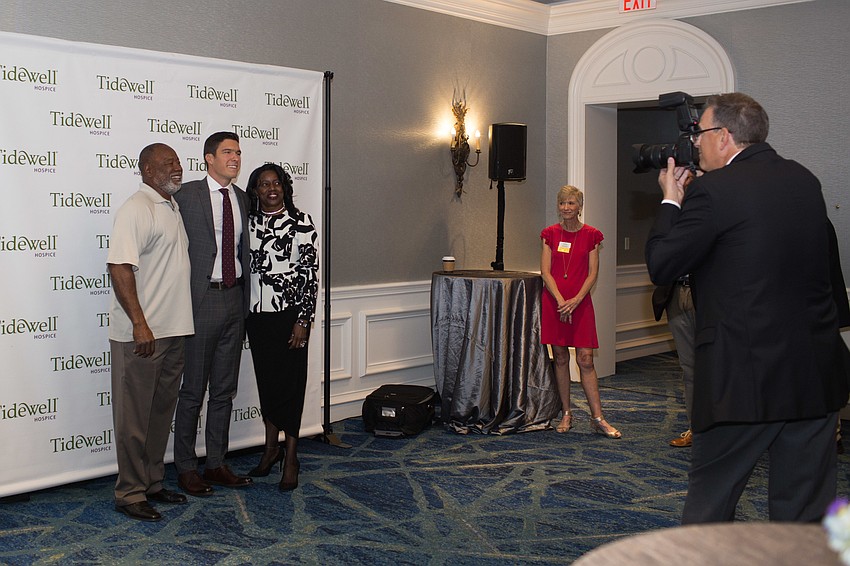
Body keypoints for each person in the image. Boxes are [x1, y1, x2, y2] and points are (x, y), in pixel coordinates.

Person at [645, 92, 850, 523]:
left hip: (742, 378)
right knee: (804, 512)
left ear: (723, 137)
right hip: (813, 373)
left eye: (699, 133)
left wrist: (670, 201)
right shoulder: (804, 180)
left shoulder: (716, 191)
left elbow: (663, 263)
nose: (694, 143)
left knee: (711, 504)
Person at [107, 143, 194, 521]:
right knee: (134, 419)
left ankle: (153, 482)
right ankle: (129, 493)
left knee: (160, 414)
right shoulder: (136, 208)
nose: (176, 167)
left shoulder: (171, 207)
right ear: (145, 169)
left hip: (174, 332)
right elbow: (119, 268)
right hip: (143, 336)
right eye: (167, 163)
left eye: (177, 162)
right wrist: (140, 324)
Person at [173, 131, 253, 496]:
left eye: (237, 152)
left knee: (224, 390)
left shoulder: (241, 198)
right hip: (200, 301)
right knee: (192, 391)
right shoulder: (186, 195)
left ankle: (216, 462)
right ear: (209, 158)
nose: (234, 157)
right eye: (227, 152)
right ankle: (186, 467)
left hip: (234, 299)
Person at [243, 164, 318, 491]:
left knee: (291, 385)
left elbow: (310, 276)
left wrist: (304, 320)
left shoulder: (302, 223)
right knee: (268, 383)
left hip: (291, 318)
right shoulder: (249, 223)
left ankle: (291, 456)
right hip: (257, 317)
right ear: (255, 191)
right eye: (263, 184)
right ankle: (270, 448)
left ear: (285, 188)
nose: (271, 189)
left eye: (276, 183)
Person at [540, 185, 621, 439]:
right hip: (555, 302)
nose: (566, 207)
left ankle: (598, 417)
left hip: (581, 302)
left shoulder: (592, 235)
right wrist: (561, 300)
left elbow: (592, 273)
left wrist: (575, 300)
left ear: (580, 206)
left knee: (586, 359)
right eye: (563, 203)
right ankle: (566, 413)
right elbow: (545, 272)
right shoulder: (549, 234)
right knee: (561, 358)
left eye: (572, 203)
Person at [651, 279, 696, 448]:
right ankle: (695, 430)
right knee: (689, 368)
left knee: (714, 367)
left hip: (707, 291)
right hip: (675, 291)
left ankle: (718, 431)